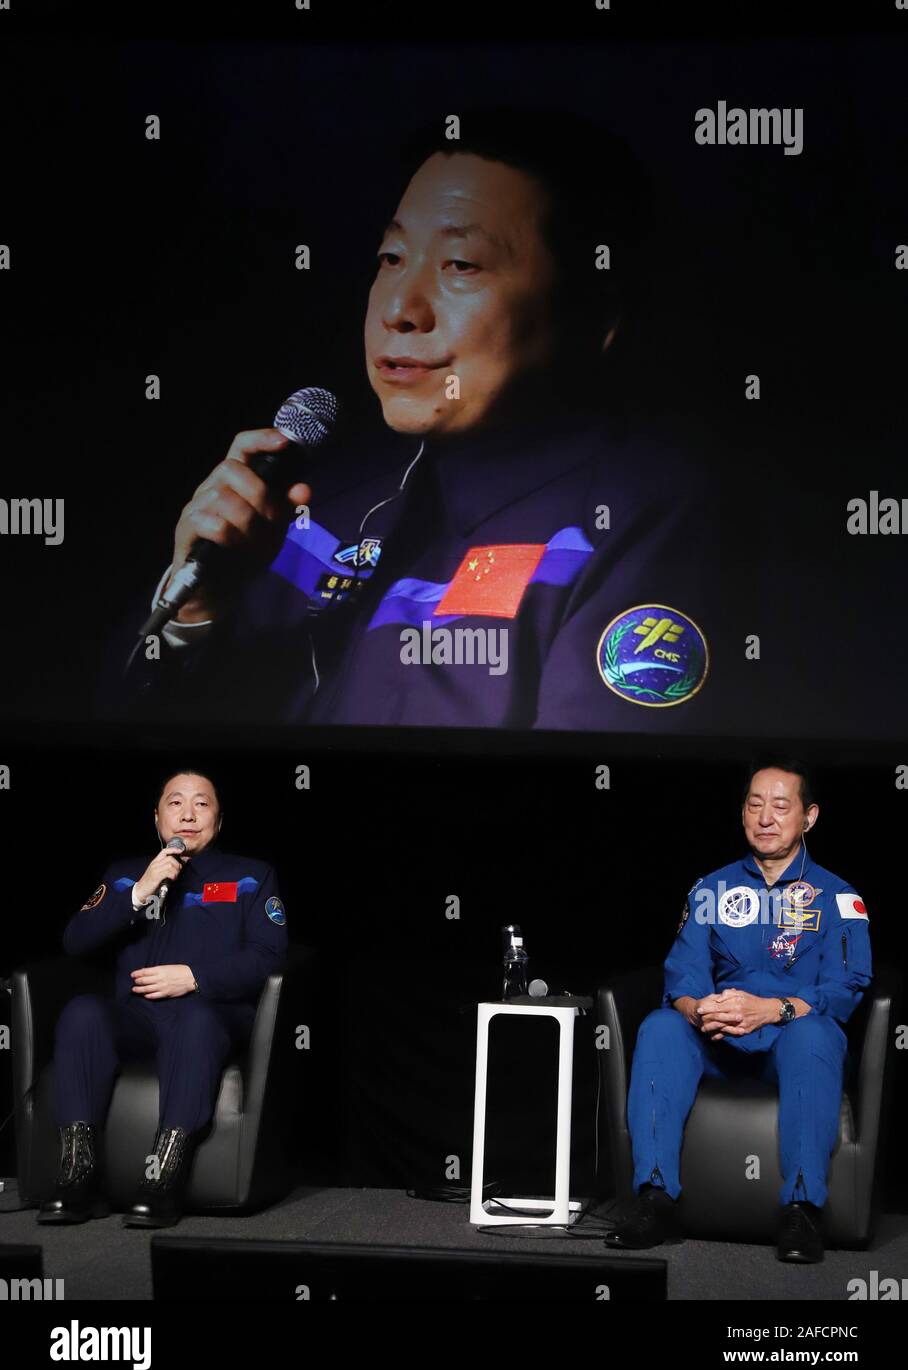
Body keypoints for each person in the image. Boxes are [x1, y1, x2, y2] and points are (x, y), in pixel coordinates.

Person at [116, 106, 727, 730]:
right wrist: (196, 616)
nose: (401, 310)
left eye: (461, 265)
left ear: (595, 316)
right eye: (391, 257)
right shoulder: (306, 510)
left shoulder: (645, 519)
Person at [604, 758, 872, 1263]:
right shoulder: (711, 889)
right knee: (661, 1025)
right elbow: (681, 975)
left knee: (814, 1035)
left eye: (780, 806)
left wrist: (772, 1009)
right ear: (742, 813)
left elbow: (846, 987)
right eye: (754, 805)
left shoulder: (839, 897)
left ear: (808, 817)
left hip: (793, 1038)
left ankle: (801, 1210)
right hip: (721, 1038)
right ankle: (655, 1198)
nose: (765, 818)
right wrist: (698, 1009)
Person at [37, 770, 287, 1229]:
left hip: (210, 1016)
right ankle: (78, 1178)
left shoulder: (251, 876)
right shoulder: (126, 874)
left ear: (218, 819)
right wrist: (138, 892)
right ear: (157, 818)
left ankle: (162, 1181)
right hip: (136, 1018)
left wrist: (194, 977)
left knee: (194, 1021)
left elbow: (269, 957)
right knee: (83, 1012)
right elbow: (75, 942)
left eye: (201, 804)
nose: (188, 814)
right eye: (175, 803)